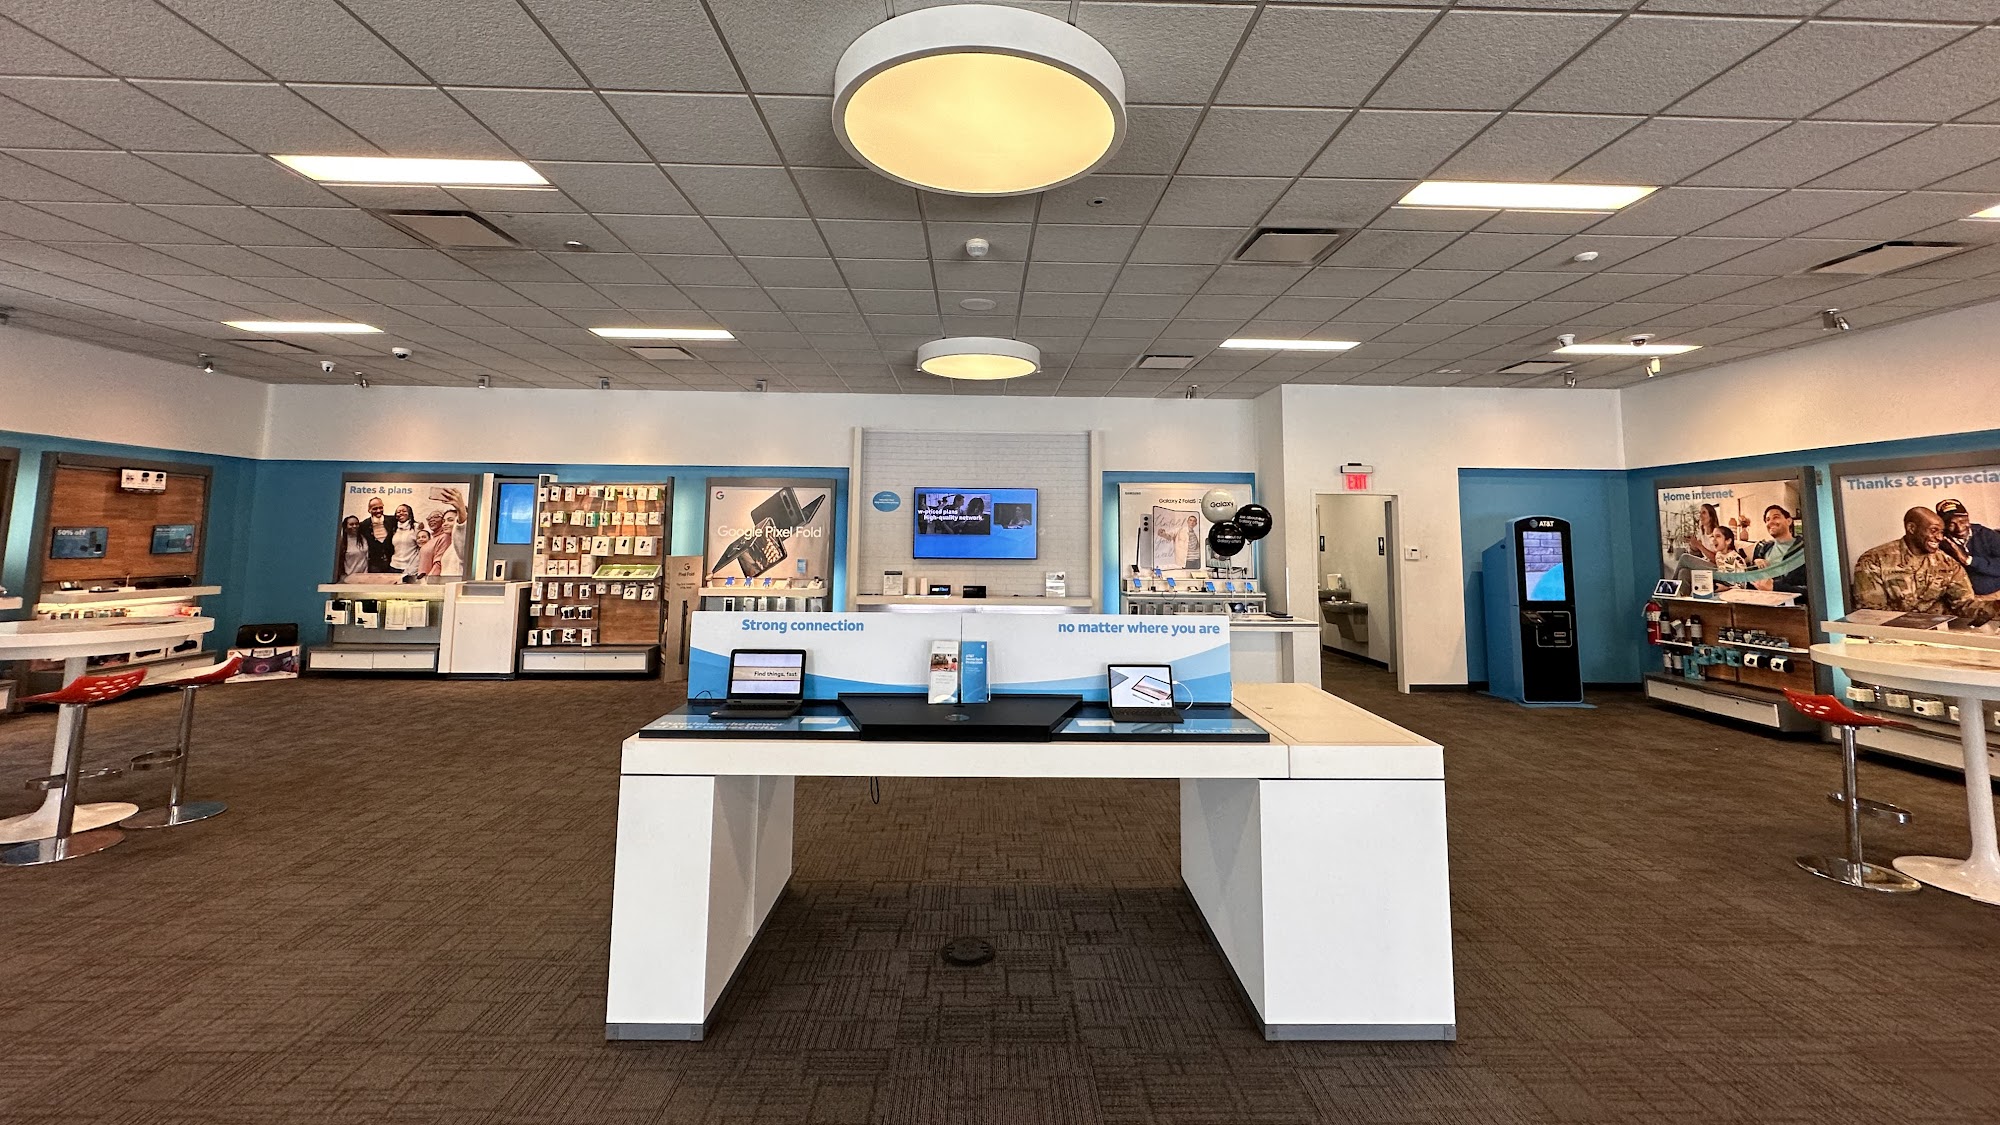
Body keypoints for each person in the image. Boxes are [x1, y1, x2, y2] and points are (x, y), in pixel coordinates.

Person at [1853, 506, 1994, 623]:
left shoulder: (1947, 564)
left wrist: (1996, 607)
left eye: (1941, 532)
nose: (1939, 537)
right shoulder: (1874, 560)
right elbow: (1871, 614)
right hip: (1890, 637)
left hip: (1936, 636)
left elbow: (1964, 605)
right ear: (1911, 528)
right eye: (1933, 531)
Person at [1934, 499, 2000, 597]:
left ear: (1968, 517)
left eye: (1962, 521)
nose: (1959, 528)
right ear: (1943, 525)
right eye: (1951, 524)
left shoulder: (1986, 535)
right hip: (1965, 598)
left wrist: (1969, 560)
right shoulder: (1940, 543)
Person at [1743, 504, 1808, 595]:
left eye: (1776, 517)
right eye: (1767, 520)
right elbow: (1750, 581)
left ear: (1789, 521)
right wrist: (1755, 564)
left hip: (1792, 602)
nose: (1770, 522)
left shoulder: (1804, 548)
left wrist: (1775, 588)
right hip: (1763, 600)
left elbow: (1812, 590)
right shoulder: (1763, 548)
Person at [361, 495, 398, 573]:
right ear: (369, 510)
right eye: (375, 508)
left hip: (392, 563)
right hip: (374, 564)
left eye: (380, 507)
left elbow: (406, 522)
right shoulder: (364, 525)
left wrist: (418, 525)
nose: (378, 510)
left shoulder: (392, 520)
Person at [389, 502, 422, 578]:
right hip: (394, 566)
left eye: (404, 511)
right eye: (398, 512)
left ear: (409, 513)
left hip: (410, 567)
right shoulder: (394, 528)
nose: (401, 513)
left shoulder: (416, 527)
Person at [337, 515, 369, 580]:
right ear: (345, 527)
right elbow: (339, 562)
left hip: (364, 577)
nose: (354, 526)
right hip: (349, 577)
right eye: (351, 524)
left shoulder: (364, 538)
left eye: (356, 524)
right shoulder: (341, 542)